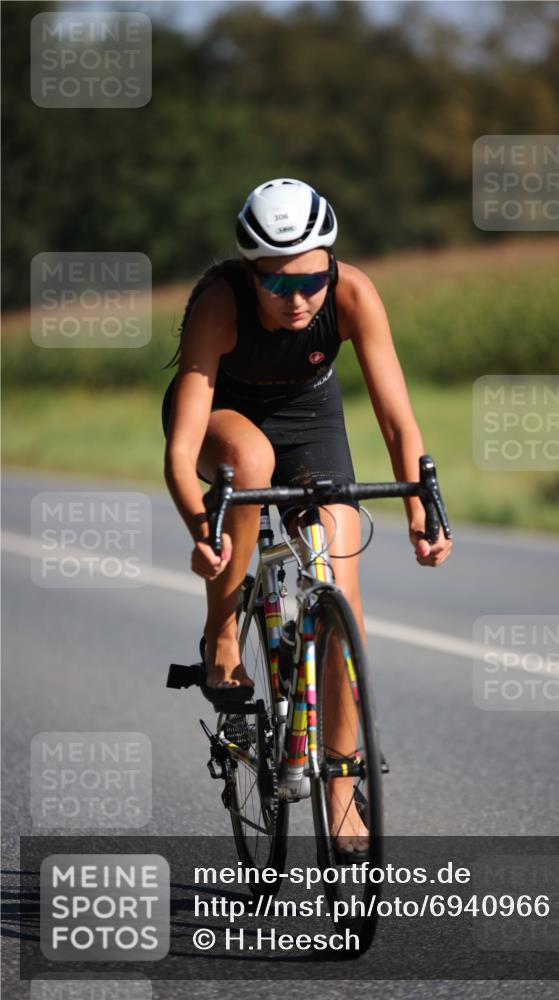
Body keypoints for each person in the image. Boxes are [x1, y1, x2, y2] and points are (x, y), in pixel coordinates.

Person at [162, 177, 452, 850]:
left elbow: (394, 418)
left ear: (330, 263)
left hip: (312, 425)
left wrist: (420, 507)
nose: (298, 300)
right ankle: (224, 637)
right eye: (276, 285)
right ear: (249, 272)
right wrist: (199, 529)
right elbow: (182, 451)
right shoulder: (217, 304)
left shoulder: (351, 291)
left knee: (341, 600)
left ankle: (341, 791)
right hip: (222, 423)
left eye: (311, 280)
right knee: (251, 460)